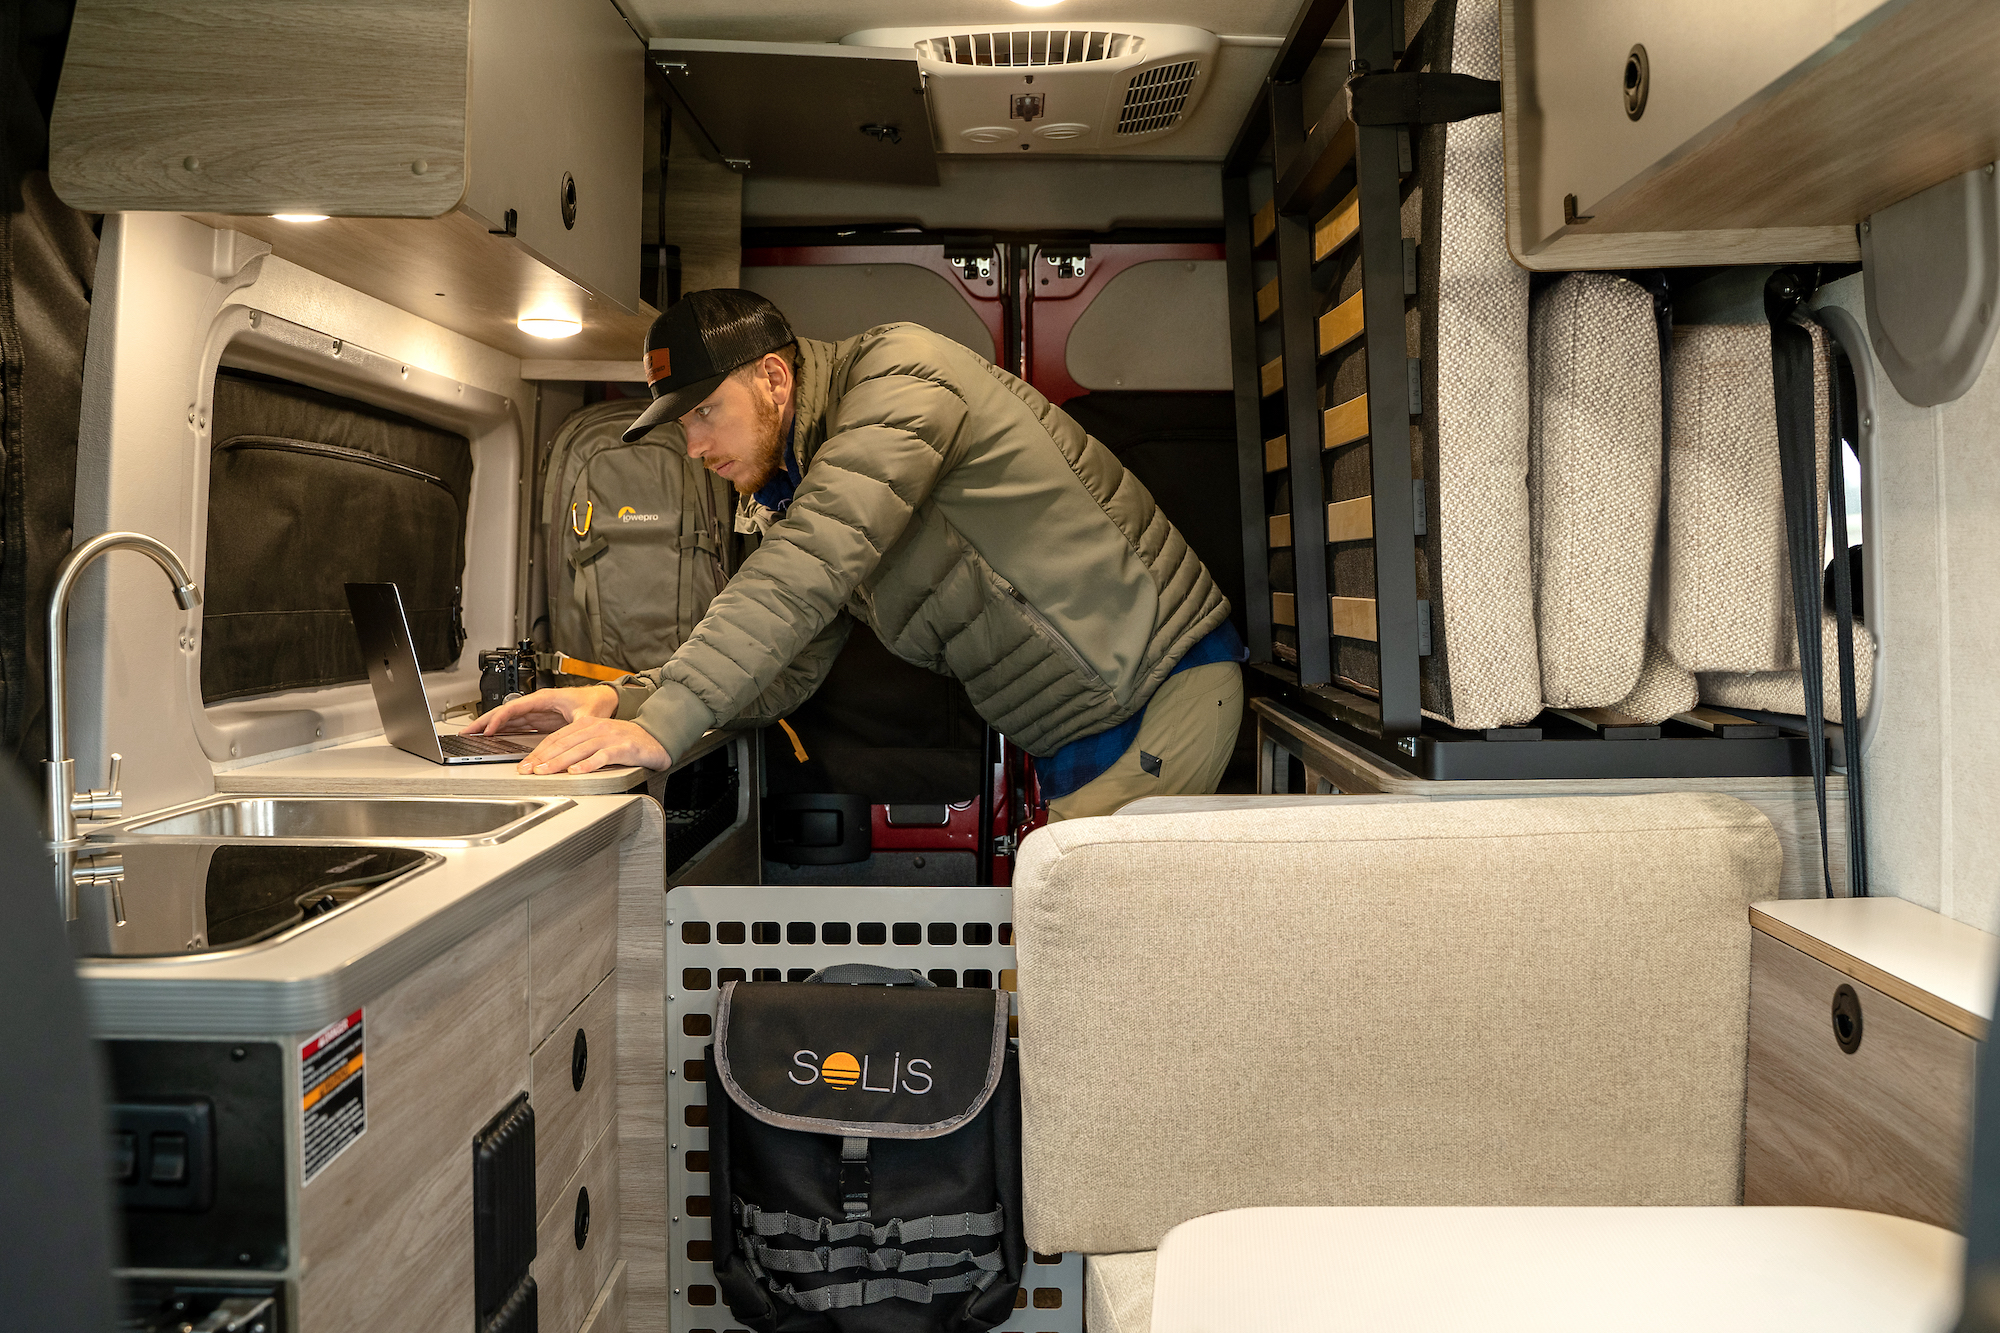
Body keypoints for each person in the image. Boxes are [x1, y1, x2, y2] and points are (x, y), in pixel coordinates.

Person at [465, 288, 1243, 820]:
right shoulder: (797, 480)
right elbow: (792, 661)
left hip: (1158, 690)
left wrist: (665, 725)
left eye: (707, 413)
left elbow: (807, 566)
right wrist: (627, 700)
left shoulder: (901, 379)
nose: (696, 446)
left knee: (1089, 965)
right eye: (683, 427)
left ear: (774, 377)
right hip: (1078, 723)